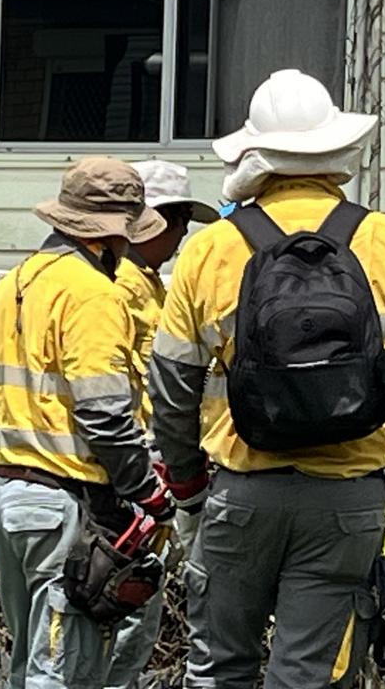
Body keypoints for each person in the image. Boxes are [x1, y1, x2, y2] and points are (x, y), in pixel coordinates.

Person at [147, 68, 385, 689]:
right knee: (309, 675)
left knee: (219, 669)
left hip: (241, 493)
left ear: (254, 153)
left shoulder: (208, 250)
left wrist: (187, 489)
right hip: (348, 500)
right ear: (337, 149)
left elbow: (170, 388)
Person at [0, 156, 176, 689]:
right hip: (68, 506)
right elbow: (104, 413)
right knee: (62, 670)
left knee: (29, 662)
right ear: (113, 236)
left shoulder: (12, 284)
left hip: (9, 498)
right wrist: (149, 494)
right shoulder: (94, 294)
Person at [106, 160, 218, 689]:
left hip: (152, 477)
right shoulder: (119, 288)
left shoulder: (152, 286)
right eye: (175, 220)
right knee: (122, 612)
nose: (181, 235)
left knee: (135, 614)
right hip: (129, 482)